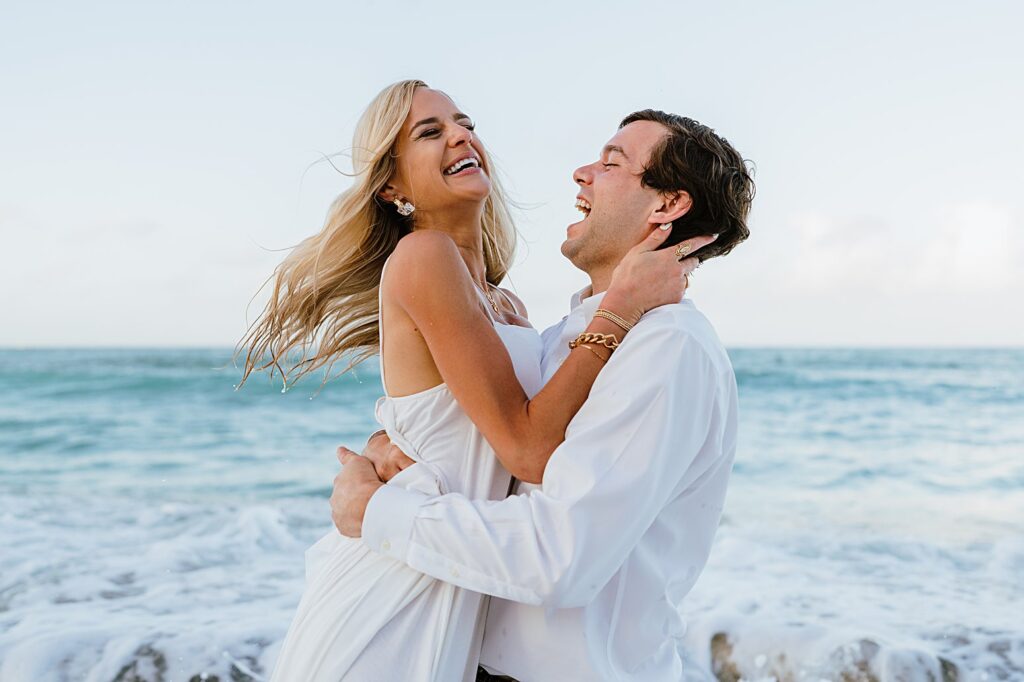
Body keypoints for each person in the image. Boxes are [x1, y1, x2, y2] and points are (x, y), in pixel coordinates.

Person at [234, 80, 706, 681]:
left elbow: (529, 438)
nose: (461, 135)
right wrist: (622, 308)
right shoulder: (423, 257)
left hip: (456, 570)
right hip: (395, 586)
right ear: (392, 186)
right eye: (429, 133)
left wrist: (398, 442)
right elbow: (529, 448)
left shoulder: (505, 304)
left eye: (465, 122)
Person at [331, 108, 754, 682]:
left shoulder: (667, 346)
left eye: (611, 162)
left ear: (667, 206)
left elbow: (559, 557)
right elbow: (485, 436)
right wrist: (394, 445)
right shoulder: (567, 335)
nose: (581, 173)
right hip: (454, 649)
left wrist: (380, 510)